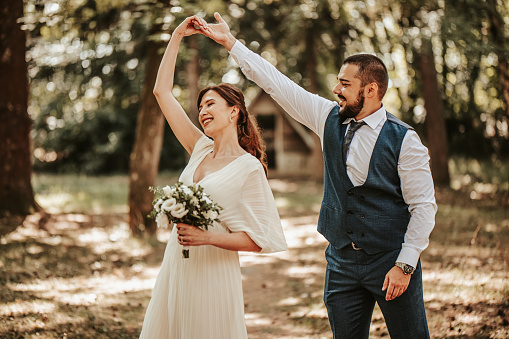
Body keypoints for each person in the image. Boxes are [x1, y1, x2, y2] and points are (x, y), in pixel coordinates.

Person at [195, 13, 437, 339]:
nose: (336, 89)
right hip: (341, 264)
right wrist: (231, 44)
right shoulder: (326, 117)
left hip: (391, 262)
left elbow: (423, 207)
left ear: (371, 90)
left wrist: (405, 265)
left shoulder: (405, 140)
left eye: (345, 84)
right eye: (338, 81)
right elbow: (276, 83)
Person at [139, 15, 287, 339]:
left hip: (213, 270)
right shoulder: (199, 148)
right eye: (200, 106)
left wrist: (206, 237)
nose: (202, 111)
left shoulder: (249, 168)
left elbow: (258, 239)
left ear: (234, 111)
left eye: (210, 104)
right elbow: (161, 92)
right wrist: (178, 33)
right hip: (177, 263)